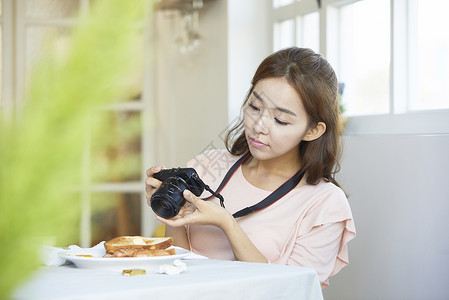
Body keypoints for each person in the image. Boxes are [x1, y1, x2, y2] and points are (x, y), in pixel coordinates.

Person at [145, 47, 355, 287]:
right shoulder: (207, 166)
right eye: (255, 107)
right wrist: (171, 214)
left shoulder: (325, 204)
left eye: (281, 120)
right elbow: (178, 268)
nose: (259, 125)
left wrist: (227, 224)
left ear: (312, 130)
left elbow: (288, 291)